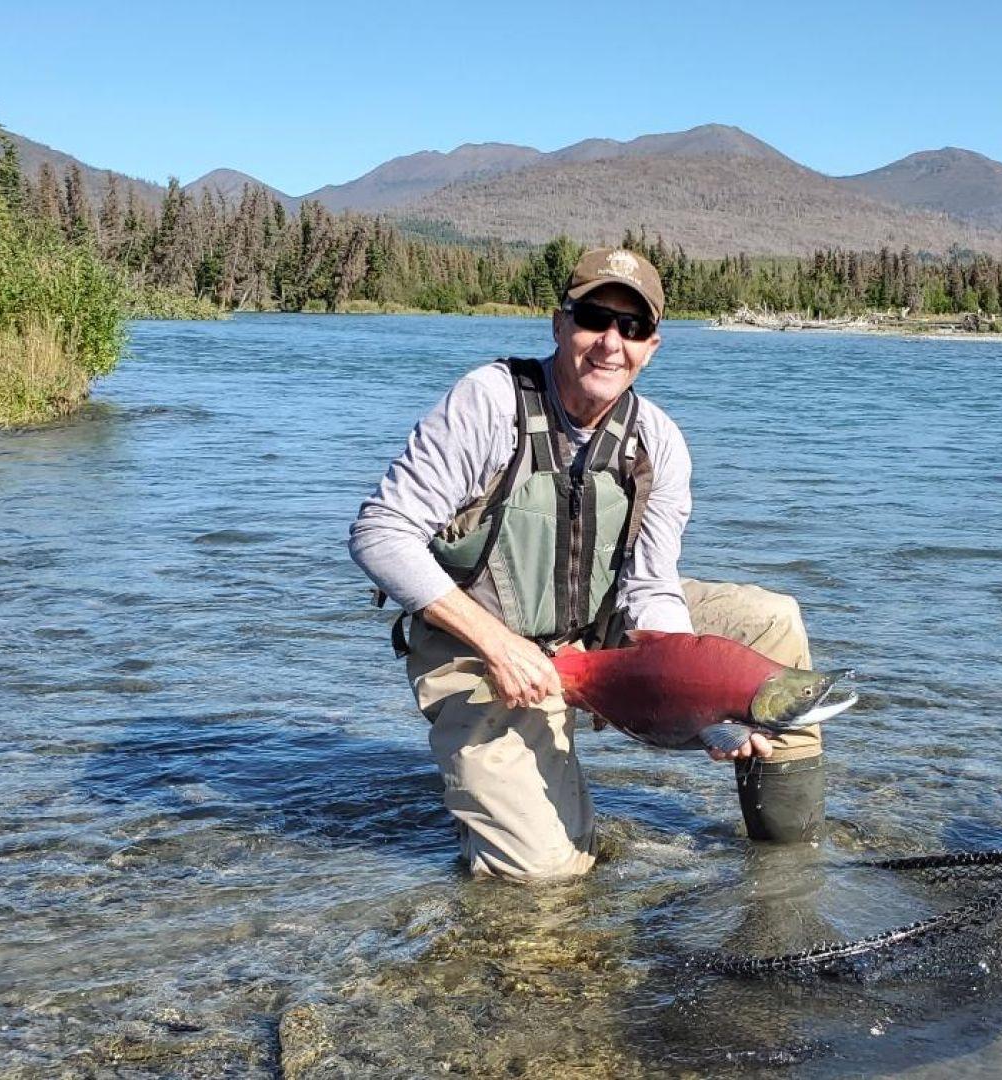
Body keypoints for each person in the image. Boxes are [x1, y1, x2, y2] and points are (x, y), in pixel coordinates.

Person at [349, 248, 825, 880]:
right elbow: (380, 533)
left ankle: (789, 869)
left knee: (771, 624)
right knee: (544, 877)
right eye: (595, 319)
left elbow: (651, 586)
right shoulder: (489, 401)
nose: (610, 344)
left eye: (631, 328)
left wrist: (694, 697)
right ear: (558, 324)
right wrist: (497, 643)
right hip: (475, 640)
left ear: (652, 344)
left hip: (597, 627)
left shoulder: (657, 440)